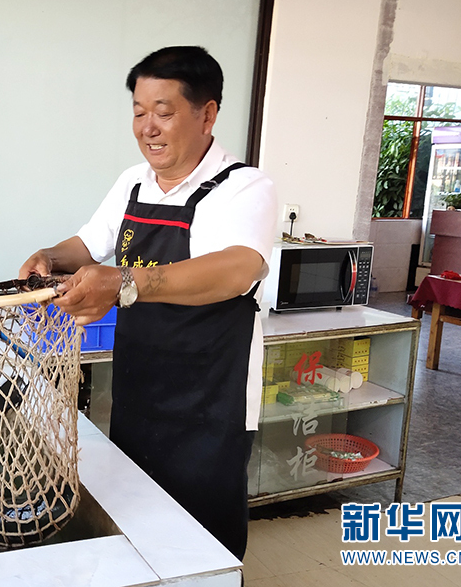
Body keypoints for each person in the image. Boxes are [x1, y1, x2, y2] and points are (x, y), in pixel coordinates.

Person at [18, 46, 277, 559]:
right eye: (139, 112)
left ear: (207, 114)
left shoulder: (244, 187)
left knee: (204, 536)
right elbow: (89, 245)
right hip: (141, 387)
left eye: (164, 112)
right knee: (141, 523)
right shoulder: (133, 182)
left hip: (211, 402)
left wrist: (124, 283)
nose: (147, 127)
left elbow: (237, 268)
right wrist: (50, 255)